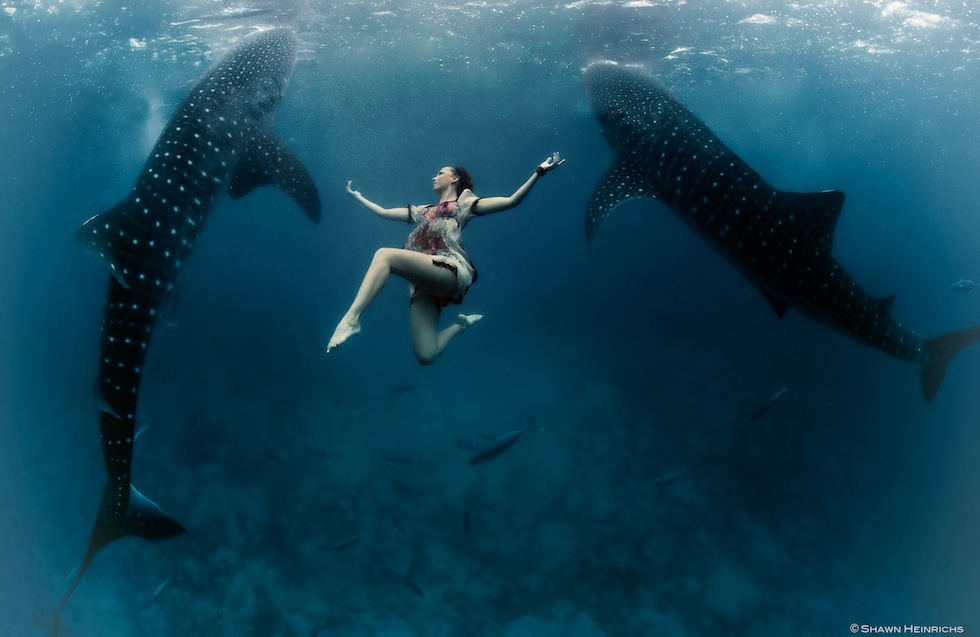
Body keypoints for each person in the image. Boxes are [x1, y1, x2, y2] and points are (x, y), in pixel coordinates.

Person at [326, 152, 566, 364]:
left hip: (447, 271)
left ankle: (351, 320)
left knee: (383, 255)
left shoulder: (464, 203)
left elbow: (511, 201)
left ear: (454, 179)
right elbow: (383, 212)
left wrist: (539, 172)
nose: (434, 176)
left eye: (440, 172)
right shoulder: (425, 211)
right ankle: (462, 326)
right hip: (424, 282)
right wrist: (357, 196)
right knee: (426, 355)